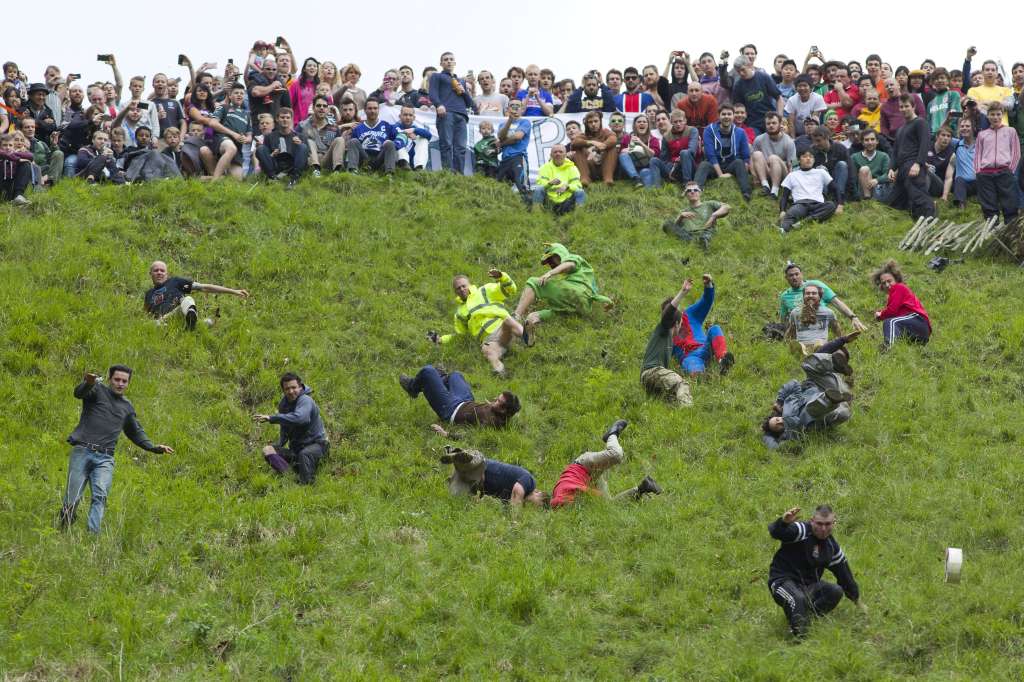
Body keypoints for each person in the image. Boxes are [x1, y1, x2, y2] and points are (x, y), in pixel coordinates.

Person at [60, 366, 174, 533]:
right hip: (83, 451)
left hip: (105, 458)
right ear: (109, 379)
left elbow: (135, 432)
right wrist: (88, 382)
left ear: (128, 383)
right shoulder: (96, 390)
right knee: (73, 497)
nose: (120, 383)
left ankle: (93, 536)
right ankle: (64, 529)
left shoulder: (127, 407)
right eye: (117, 380)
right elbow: (79, 393)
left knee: (100, 496)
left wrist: (153, 447)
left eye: (124, 381)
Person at [768, 504, 864, 638]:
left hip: (808, 587)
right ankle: (799, 639)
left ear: (834, 523)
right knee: (798, 599)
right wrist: (783, 522)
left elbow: (844, 576)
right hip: (782, 582)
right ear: (812, 521)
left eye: (827, 524)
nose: (823, 529)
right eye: (819, 524)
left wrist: (858, 602)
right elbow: (777, 532)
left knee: (835, 591)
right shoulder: (801, 530)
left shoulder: (831, 547)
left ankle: (806, 619)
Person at [429, 270, 527, 375]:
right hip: (491, 340)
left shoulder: (485, 290)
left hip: (502, 328)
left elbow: (511, 289)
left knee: (507, 321)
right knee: (486, 350)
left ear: (470, 285)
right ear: (455, 292)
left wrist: (502, 277)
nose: (462, 289)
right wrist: (441, 340)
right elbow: (460, 336)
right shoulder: (459, 314)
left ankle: (527, 337)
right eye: (458, 288)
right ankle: (500, 371)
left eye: (464, 286)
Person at [761, 340, 856, 449]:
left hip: (822, 384)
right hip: (828, 408)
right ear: (780, 432)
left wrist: (780, 400)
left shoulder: (787, 404)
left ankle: (834, 364)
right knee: (811, 410)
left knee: (807, 365)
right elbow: (773, 446)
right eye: (778, 427)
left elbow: (794, 384)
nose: (779, 422)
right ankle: (833, 400)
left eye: (776, 420)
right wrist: (769, 435)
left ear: (777, 416)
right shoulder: (792, 432)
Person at [549, 420, 662, 508]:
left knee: (616, 455)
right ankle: (643, 487)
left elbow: (585, 492)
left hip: (583, 466)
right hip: (589, 479)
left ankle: (612, 434)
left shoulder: (559, 500)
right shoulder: (567, 504)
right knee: (608, 506)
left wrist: (595, 499)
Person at [512, 243, 613, 336]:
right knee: (547, 314)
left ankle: (516, 317)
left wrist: (550, 273)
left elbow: (569, 265)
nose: (551, 264)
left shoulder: (573, 258)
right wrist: (607, 302)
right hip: (584, 308)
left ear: (560, 254)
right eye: (549, 263)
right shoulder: (577, 276)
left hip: (575, 292)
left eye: (551, 259)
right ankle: (531, 322)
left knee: (534, 282)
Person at [253, 372, 328, 485]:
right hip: (297, 450)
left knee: (305, 454)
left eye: (294, 387)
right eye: (287, 388)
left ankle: (306, 484)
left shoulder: (305, 400)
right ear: (283, 390)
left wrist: (272, 418)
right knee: (267, 450)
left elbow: (301, 418)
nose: (291, 391)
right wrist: (279, 445)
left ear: (300, 386)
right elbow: (285, 429)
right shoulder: (284, 405)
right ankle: (291, 478)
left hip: (317, 446)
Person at [399, 364, 521, 429]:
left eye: (498, 401)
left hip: (451, 409)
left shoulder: (491, 422)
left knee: (427, 371)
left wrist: (446, 434)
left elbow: (467, 435)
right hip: (466, 401)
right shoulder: (504, 413)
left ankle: (412, 388)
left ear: (503, 409)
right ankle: (440, 379)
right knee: (456, 375)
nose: (494, 399)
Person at [143, 260, 249, 330]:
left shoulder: (175, 282)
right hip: (162, 322)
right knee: (149, 325)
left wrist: (234, 291)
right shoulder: (148, 294)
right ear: (150, 274)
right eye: (156, 270)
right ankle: (199, 324)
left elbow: (204, 287)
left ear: (167, 274)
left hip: (178, 314)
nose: (159, 272)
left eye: (162, 270)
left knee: (188, 299)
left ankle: (191, 319)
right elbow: (145, 316)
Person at [641, 278, 695, 406]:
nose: (681, 326)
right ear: (676, 323)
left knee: (672, 401)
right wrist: (682, 292)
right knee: (682, 384)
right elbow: (668, 313)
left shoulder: (668, 339)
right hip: (652, 372)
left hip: (651, 380)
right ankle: (688, 412)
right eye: (681, 323)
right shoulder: (664, 329)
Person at [774, 262, 866, 335]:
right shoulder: (785, 296)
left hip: (821, 325)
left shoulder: (816, 285)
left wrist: (853, 317)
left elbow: (836, 302)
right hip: (800, 330)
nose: (794, 277)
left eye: (796, 274)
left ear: (801, 274)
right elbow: (784, 319)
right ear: (786, 278)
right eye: (791, 275)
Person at [438, 445, 546, 507]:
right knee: (472, 462)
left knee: (457, 499)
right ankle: (457, 456)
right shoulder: (530, 481)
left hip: (475, 483)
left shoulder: (509, 500)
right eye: (539, 504)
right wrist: (516, 517)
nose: (535, 507)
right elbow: (517, 490)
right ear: (538, 492)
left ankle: (456, 465)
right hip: (482, 467)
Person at [885, 95, 936, 219]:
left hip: (913, 165)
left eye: (906, 106)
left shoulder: (920, 122)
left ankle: (930, 220)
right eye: (901, 107)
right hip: (902, 168)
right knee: (893, 202)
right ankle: (907, 221)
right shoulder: (901, 129)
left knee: (918, 196)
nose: (903, 109)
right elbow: (895, 151)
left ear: (913, 106)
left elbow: (925, 144)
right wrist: (891, 168)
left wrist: (918, 164)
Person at [974, 101, 1021, 223]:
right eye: (992, 114)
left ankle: (1011, 231)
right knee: (989, 204)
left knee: (1009, 203)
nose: (995, 117)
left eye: (998, 114)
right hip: (985, 173)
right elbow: (978, 154)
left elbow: (1016, 152)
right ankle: (992, 231)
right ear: (988, 116)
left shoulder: (1010, 131)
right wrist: (978, 171)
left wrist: (1011, 169)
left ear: (1002, 115)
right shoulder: (982, 134)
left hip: (1004, 172)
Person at [429, 52, 475, 174]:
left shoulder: (461, 81)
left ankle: (459, 175)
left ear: (455, 62)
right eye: (445, 59)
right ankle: (447, 174)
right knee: (446, 144)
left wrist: (464, 91)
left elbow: (470, 103)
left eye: (451, 59)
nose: (448, 61)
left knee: (460, 147)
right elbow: (432, 94)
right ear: (441, 63)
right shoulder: (436, 76)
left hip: (461, 115)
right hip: (446, 113)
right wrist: (439, 105)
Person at [695, 104, 752, 200]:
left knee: (739, 162)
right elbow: (710, 155)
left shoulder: (740, 132)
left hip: (731, 164)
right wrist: (720, 175)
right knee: (704, 164)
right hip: (714, 165)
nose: (726, 117)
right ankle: (695, 190)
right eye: (723, 114)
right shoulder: (709, 130)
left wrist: (742, 173)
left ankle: (746, 193)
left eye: (729, 114)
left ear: (733, 116)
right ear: (719, 116)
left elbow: (746, 156)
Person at [871, 260, 931, 349]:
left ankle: (888, 347)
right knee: (895, 325)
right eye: (884, 283)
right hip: (919, 332)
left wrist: (880, 315)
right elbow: (894, 312)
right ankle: (893, 348)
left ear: (896, 279)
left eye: (889, 281)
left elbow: (891, 311)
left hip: (918, 320)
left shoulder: (899, 287)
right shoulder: (895, 294)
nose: (887, 285)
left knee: (890, 322)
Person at [779, 148, 837, 233]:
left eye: (811, 157)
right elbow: (784, 196)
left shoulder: (821, 172)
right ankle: (783, 230)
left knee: (831, 205)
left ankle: (803, 223)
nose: (808, 158)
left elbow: (835, 188)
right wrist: (782, 210)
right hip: (800, 204)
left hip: (817, 204)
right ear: (799, 160)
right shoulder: (792, 175)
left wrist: (840, 204)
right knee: (790, 214)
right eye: (805, 156)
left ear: (814, 160)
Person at [784, 284, 849, 355]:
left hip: (821, 344)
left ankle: (818, 351)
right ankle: (802, 352)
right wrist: (787, 342)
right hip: (802, 344)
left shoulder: (828, 312)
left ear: (819, 297)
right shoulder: (795, 313)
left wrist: (841, 343)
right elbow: (791, 331)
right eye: (807, 293)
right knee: (799, 346)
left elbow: (837, 330)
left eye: (814, 293)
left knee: (819, 344)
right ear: (803, 296)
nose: (810, 295)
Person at [662, 182, 730, 249]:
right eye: (689, 191)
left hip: (705, 233)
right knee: (667, 224)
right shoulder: (684, 212)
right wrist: (680, 217)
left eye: (695, 190)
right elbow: (675, 228)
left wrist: (714, 216)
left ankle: (700, 243)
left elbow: (726, 207)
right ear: (686, 194)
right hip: (688, 235)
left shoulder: (709, 204)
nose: (692, 192)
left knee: (704, 237)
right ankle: (696, 243)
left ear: (700, 193)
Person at [256, 108, 309, 187]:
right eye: (282, 117)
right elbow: (266, 158)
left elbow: (306, 157)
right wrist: (272, 154)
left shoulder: (300, 136)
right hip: (276, 165)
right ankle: (273, 178)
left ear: (291, 119)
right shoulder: (269, 137)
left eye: (288, 117)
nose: (285, 120)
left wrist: (300, 145)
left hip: (293, 165)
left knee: (303, 147)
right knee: (260, 148)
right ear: (277, 119)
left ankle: (294, 179)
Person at [732, 57, 783, 135]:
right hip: (753, 123)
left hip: (770, 119)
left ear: (749, 66)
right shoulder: (738, 85)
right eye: (738, 72)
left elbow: (779, 98)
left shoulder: (763, 77)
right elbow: (737, 107)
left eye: (743, 70)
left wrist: (779, 118)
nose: (741, 73)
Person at [345, 98, 396, 175]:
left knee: (390, 143)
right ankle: (353, 171)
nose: (372, 111)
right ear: (365, 110)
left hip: (380, 157)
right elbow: (353, 148)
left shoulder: (387, 125)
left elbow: (397, 138)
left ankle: (389, 173)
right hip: (364, 158)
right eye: (370, 108)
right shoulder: (358, 128)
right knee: (353, 141)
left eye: (375, 108)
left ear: (379, 110)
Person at [752, 112, 796, 197]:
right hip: (766, 172)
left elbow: (794, 164)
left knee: (773, 158)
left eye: (774, 123)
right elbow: (752, 159)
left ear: (780, 124)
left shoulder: (789, 142)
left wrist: (793, 185)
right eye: (768, 123)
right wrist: (754, 177)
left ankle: (774, 191)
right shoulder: (759, 139)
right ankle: (765, 186)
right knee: (756, 154)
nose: (771, 125)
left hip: (783, 175)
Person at [532, 144, 585, 214]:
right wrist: (549, 183)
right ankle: (537, 215)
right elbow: (540, 184)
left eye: (561, 152)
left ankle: (578, 216)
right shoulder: (544, 168)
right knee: (538, 189)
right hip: (549, 200)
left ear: (565, 154)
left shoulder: (572, 168)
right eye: (555, 152)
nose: (558, 154)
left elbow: (578, 185)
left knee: (580, 192)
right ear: (551, 155)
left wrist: (567, 187)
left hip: (567, 201)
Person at [570, 111, 618, 187]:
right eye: (590, 122)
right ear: (587, 124)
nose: (593, 124)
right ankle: (585, 178)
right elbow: (574, 143)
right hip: (590, 167)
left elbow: (613, 139)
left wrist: (598, 148)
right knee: (577, 150)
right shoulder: (584, 135)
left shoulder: (606, 132)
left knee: (613, 149)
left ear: (600, 121)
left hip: (604, 166)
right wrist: (591, 142)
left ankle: (608, 178)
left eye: (596, 121)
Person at [495, 99, 530, 197]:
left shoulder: (525, 122)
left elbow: (517, 137)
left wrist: (502, 144)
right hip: (505, 159)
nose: (515, 108)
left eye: (517, 106)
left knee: (521, 186)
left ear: (522, 109)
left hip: (518, 157)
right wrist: (509, 120)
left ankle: (527, 208)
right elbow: (500, 136)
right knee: (500, 188)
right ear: (508, 108)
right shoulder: (502, 124)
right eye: (512, 105)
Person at [658, 109, 699, 184]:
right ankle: (656, 186)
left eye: (680, 121)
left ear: (685, 121)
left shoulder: (692, 130)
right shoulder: (666, 136)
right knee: (654, 160)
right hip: (674, 166)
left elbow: (692, 150)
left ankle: (687, 183)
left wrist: (680, 158)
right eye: (675, 122)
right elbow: (664, 158)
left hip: (691, 165)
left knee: (684, 153)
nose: (678, 124)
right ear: (671, 122)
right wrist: (669, 167)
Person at [852, 129, 892, 201]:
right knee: (864, 169)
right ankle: (867, 201)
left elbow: (888, 174)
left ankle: (871, 202)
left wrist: (877, 180)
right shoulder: (855, 157)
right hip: (862, 189)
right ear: (862, 143)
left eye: (872, 139)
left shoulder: (884, 156)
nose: (870, 142)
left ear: (877, 141)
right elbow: (852, 177)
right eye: (866, 140)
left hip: (878, 188)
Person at [392, 104, 432, 171]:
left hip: (412, 162)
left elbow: (429, 135)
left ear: (414, 117)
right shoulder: (394, 126)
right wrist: (405, 133)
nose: (408, 117)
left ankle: (419, 167)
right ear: (400, 116)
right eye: (405, 115)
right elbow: (394, 134)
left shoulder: (415, 129)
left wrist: (414, 130)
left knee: (423, 139)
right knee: (400, 138)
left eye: (410, 115)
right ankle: (404, 163)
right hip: (399, 160)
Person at [0, 132, 33, 204]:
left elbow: (30, 156)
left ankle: (18, 196)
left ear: (13, 146)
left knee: (26, 164)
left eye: (10, 145)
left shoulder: (16, 154)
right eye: (5, 145)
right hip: (2, 183)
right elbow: (2, 153)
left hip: (11, 185)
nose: (8, 147)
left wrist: (14, 154)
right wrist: (17, 159)